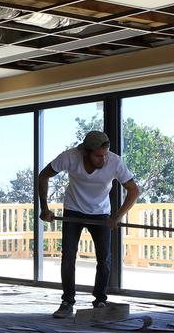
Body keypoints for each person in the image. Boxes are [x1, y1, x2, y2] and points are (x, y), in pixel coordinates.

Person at [36, 130, 140, 318]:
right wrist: (44, 208)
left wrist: (117, 216)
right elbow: (43, 176)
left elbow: (133, 190)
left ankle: (100, 300)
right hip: (73, 210)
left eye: (104, 155)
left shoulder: (114, 162)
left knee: (104, 259)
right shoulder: (69, 157)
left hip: (101, 213)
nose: (102, 159)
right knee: (68, 256)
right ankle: (67, 301)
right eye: (98, 156)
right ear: (85, 152)